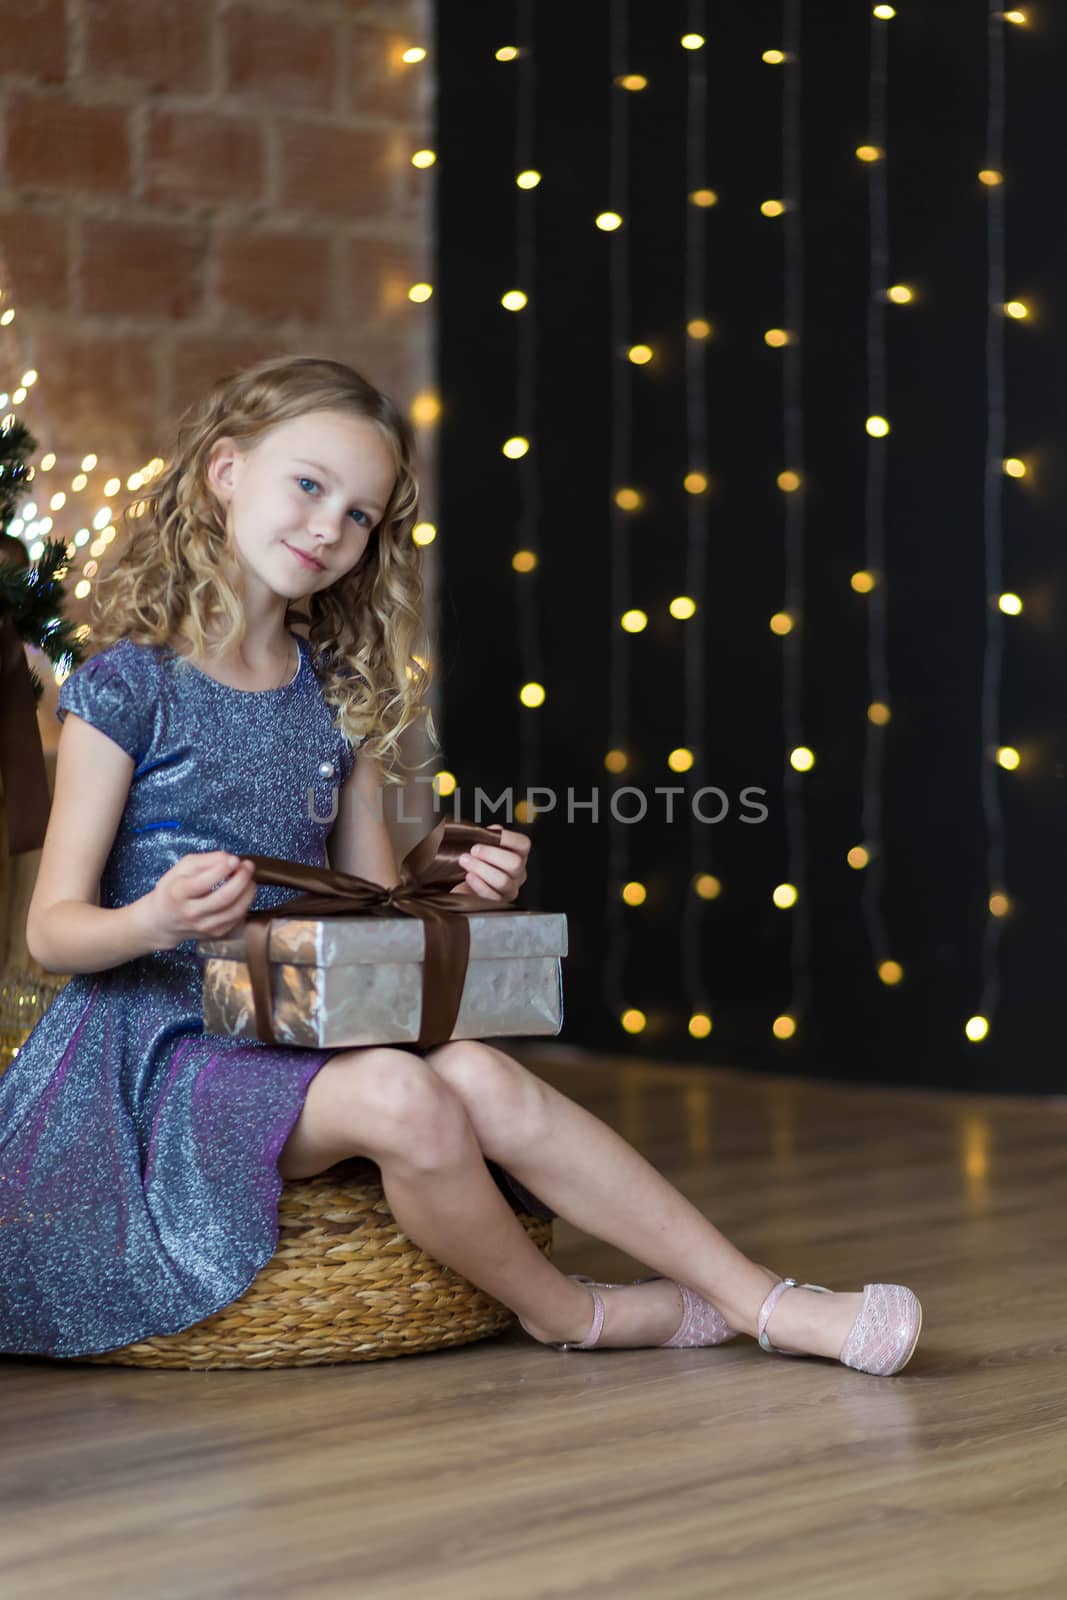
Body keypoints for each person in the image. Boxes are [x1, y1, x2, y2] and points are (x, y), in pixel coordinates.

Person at [0, 356, 921, 1373]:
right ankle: (570, 1310)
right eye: (307, 485)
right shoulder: (131, 688)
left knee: (481, 1071)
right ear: (224, 471)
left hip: (293, 1018)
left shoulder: (332, 699)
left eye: (359, 515)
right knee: (404, 1096)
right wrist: (155, 919)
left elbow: (371, 913)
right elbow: (52, 930)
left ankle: (766, 1300)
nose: (326, 528)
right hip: (158, 1047)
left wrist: (449, 886)